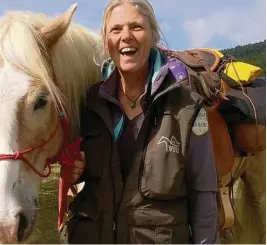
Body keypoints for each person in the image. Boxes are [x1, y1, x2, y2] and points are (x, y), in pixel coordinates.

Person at [66, 0, 218, 243]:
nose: (126, 36)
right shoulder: (89, 104)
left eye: (136, 27)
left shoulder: (187, 107)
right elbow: (81, 174)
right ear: (106, 41)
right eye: (116, 30)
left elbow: (203, 196)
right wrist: (74, 172)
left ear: (153, 35)